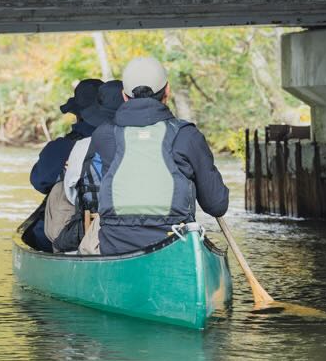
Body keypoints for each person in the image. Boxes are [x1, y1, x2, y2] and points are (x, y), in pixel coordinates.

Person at [77, 56, 228, 256]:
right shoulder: (187, 135)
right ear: (167, 91)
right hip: (176, 246)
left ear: (124, 95)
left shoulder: (103, 135)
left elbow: (92, 194)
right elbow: (217, 204)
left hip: (114, 249)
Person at [27, 78, 102, 252]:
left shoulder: (62, 147)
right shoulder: (124, 142)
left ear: (77, 114)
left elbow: (39, 181)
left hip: (68, 234)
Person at [50, 80, 123, 253]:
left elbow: (70, 192)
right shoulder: (148, 144)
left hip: (96, 224)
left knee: (60, 189)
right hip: (140, 222)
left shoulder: (82, 146)